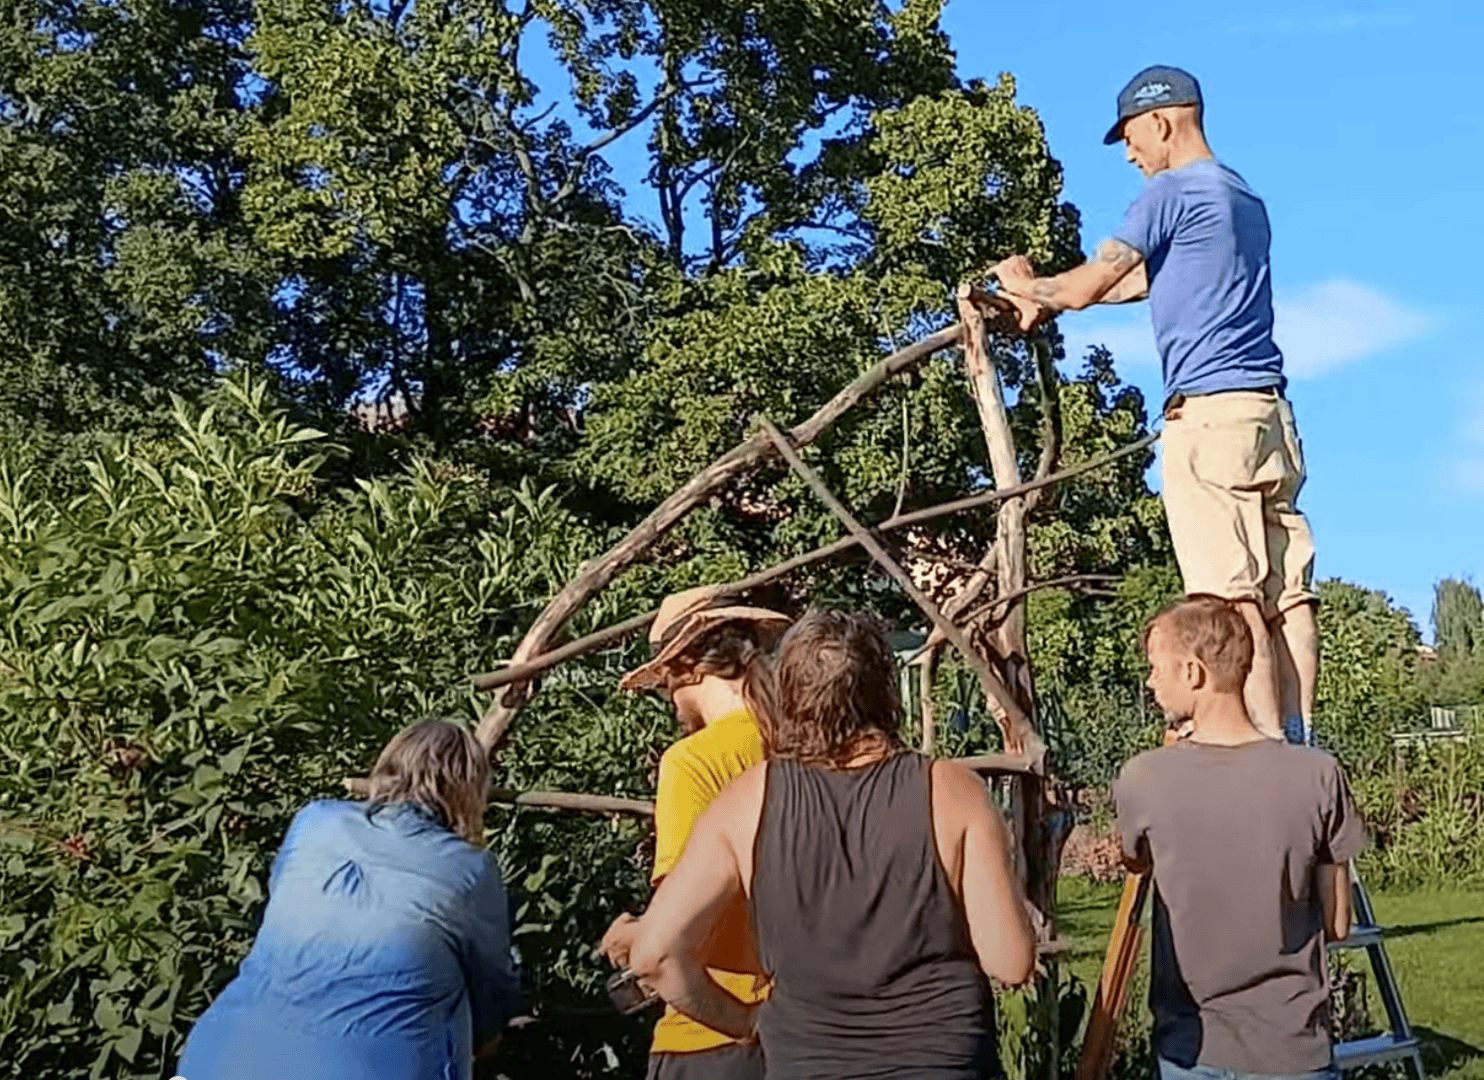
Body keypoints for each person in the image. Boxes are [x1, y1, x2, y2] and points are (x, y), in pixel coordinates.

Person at [991, 65, 1317, 744]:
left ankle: (1258, 752)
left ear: (1162, 122)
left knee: (1229, 600)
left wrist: (1027, 287)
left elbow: (1093, 282)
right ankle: (1300, 737)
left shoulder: (1169, 192)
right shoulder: (1241, 197)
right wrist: (1052, 297)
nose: (1130, 155)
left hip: (1208, 417)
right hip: (1268, 415)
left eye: (1131, 137)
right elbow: (1138, 282)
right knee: (1287, 595)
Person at [627, 609, 1036, 1080]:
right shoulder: (951, 790)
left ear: (790, 695)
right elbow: (1011, 961)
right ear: (884, 691)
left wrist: (747, 1025)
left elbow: (654, 956)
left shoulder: (746, 804)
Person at [176, 721, 523, 1080]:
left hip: (218, 1057)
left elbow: (282, 899)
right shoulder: (470, 869)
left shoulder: (314, 820)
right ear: (470, 791)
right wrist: (489, 1037)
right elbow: (491, 986)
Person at [1114, 596, 1366, 1080]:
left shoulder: (1143, 778)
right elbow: (1337, 924)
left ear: (1192, 672)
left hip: (1193, 1047)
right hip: (1292, 1047)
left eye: (1155, 667)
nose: (1150, 682)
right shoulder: (1318, 775)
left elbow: (1135, 861)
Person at [599, 585, 792, 1080]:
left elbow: (679, 934)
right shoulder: (805, 746)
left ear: (686, 667)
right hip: (808, 1026)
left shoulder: (692, 762)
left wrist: (634, 935)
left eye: (665, 684)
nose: (669, 699)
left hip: (715, 1033)